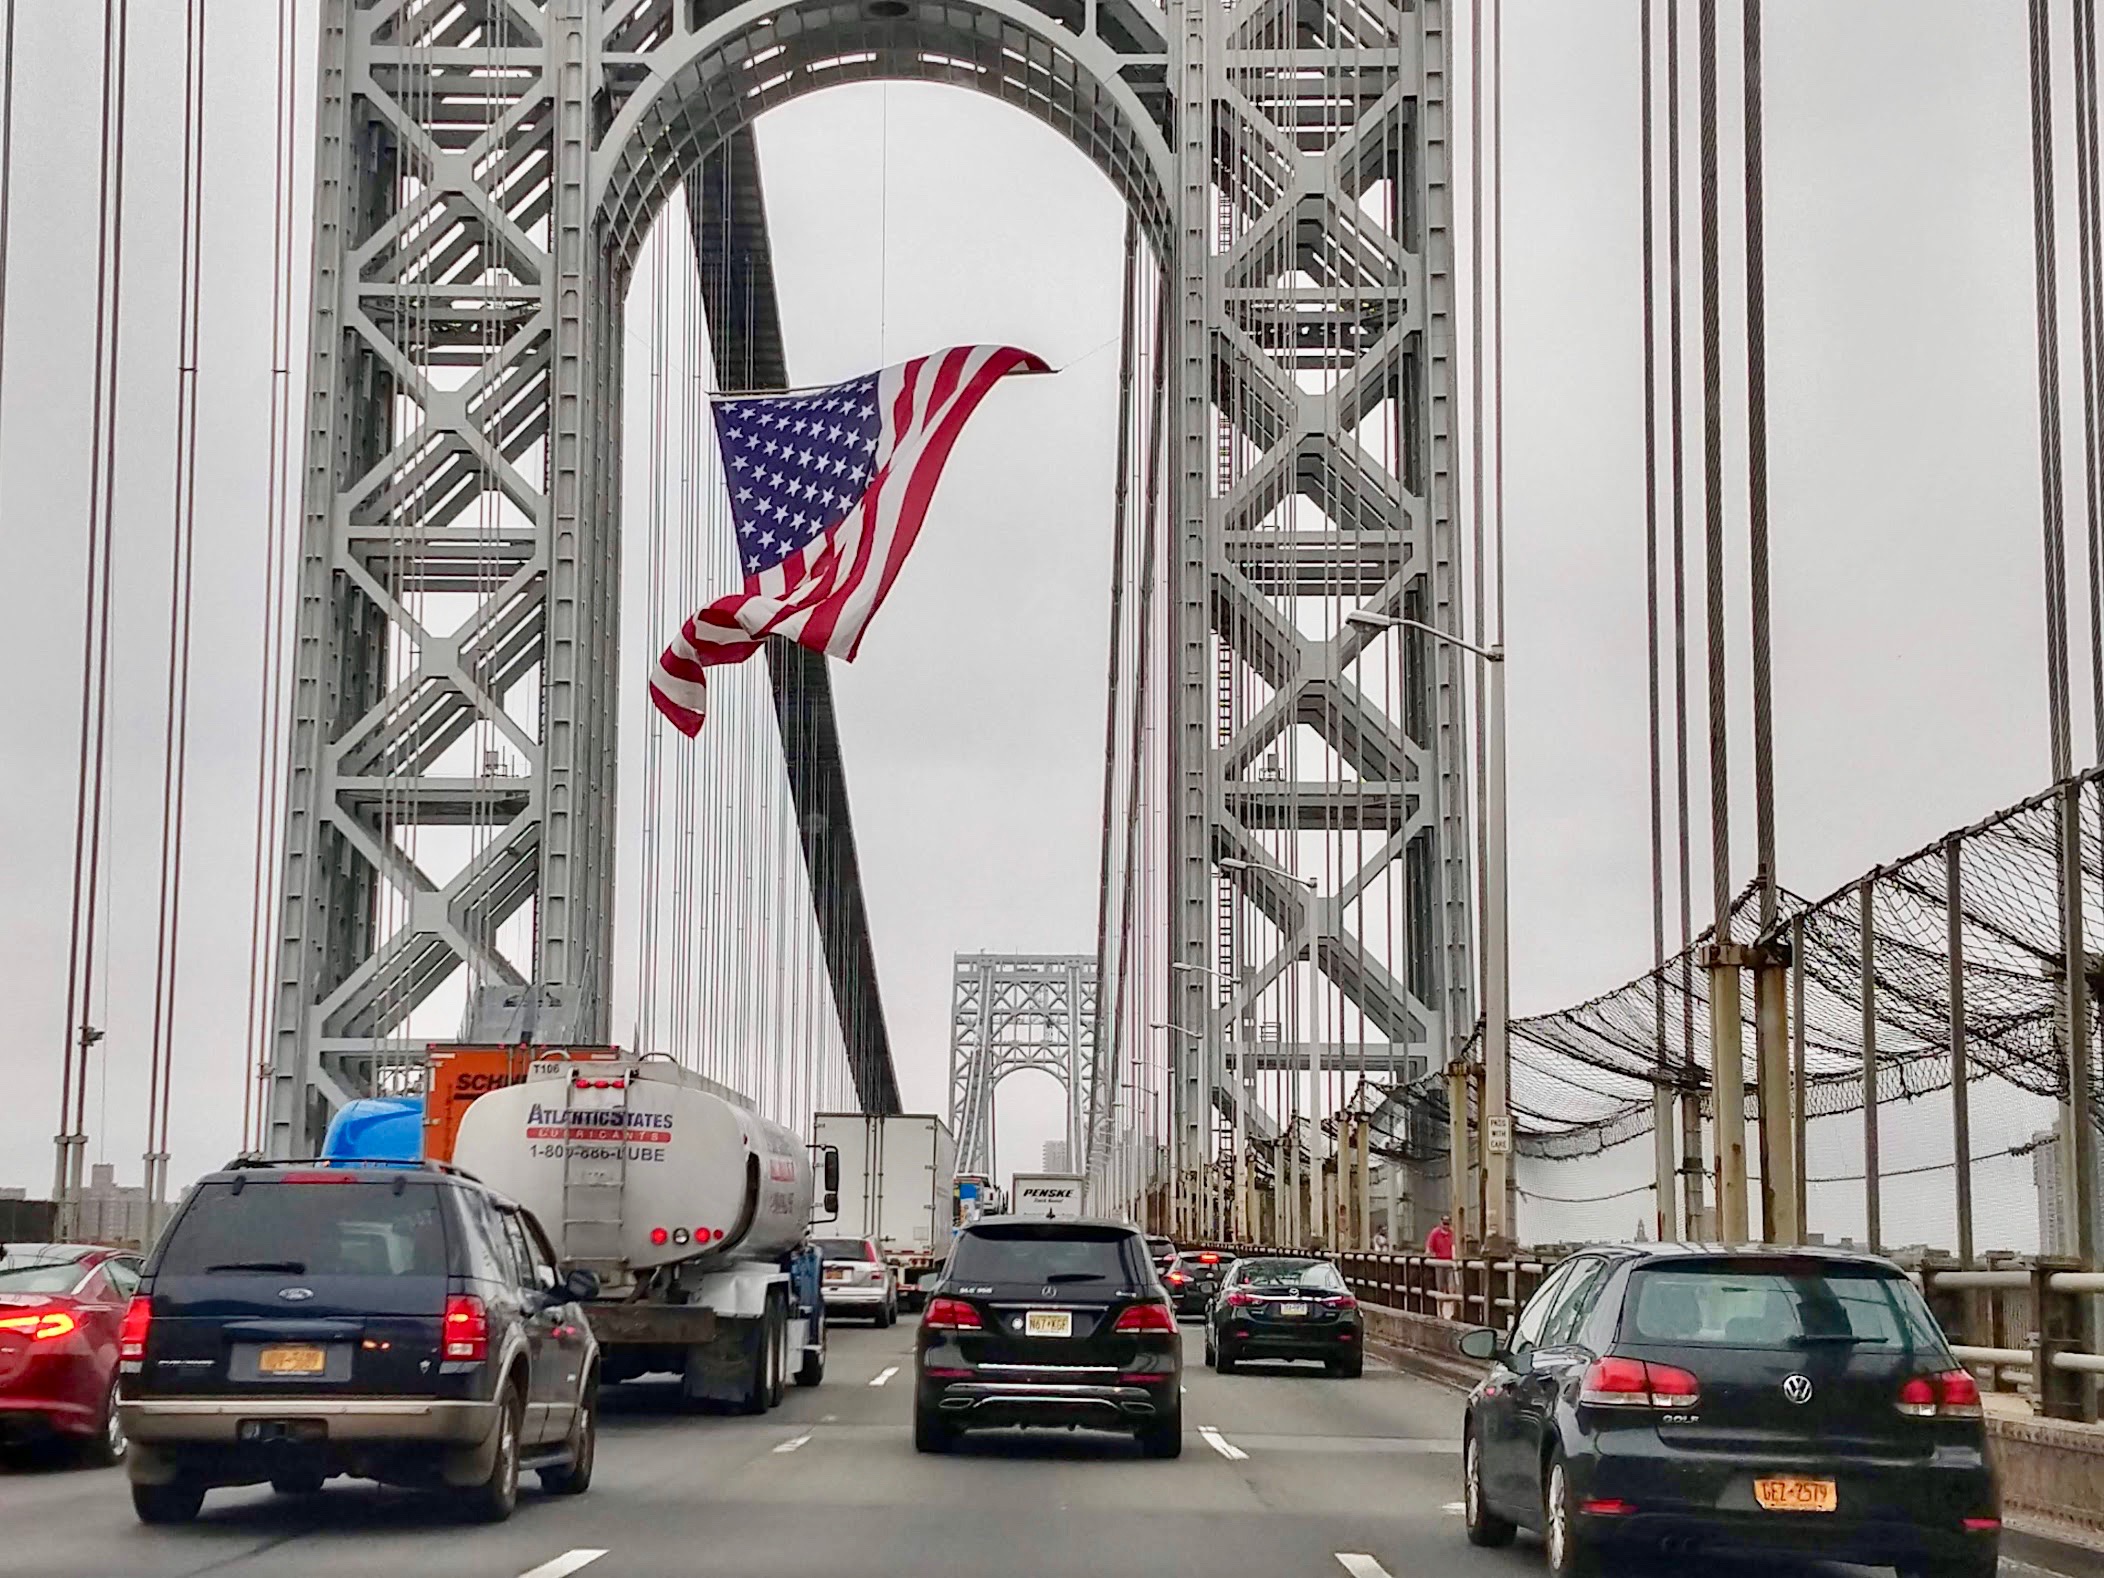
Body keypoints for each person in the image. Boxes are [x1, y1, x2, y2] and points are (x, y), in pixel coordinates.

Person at [1424, 1212, 1458, 1318]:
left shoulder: (1452, 1234)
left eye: (1448, 1223)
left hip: (1450, 1263)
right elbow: (1429, 1247)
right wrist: (1429, 1257)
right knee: (1440, 1288)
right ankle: (1440, 1311)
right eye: (1444, 1223)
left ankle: (1454, 1312)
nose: (1446, 1226)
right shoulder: (1435, 1233)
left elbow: (1455, 1247)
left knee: (1452, 1288)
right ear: (1441, 1223)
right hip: (1439, 1263)